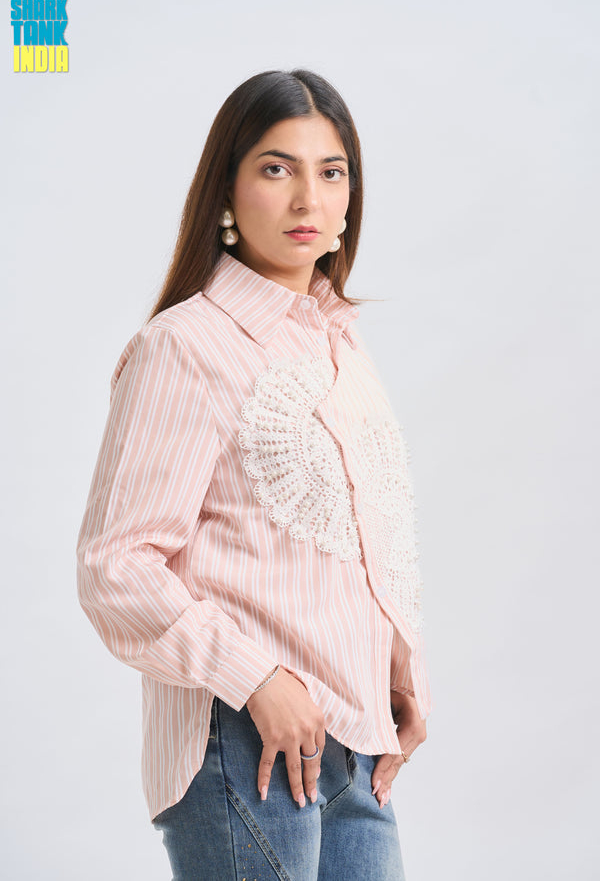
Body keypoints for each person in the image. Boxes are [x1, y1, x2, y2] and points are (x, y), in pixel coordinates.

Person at [77, 68, 431, 880]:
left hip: (356, 744)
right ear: (227, 192)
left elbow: (362, 534)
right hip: (244, 742)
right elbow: (114, 565)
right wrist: (257, 678)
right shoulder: (186, 345)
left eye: (330, 171)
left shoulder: (341, 344)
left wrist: (401, 673)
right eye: (278, 168)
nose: (309, 197)